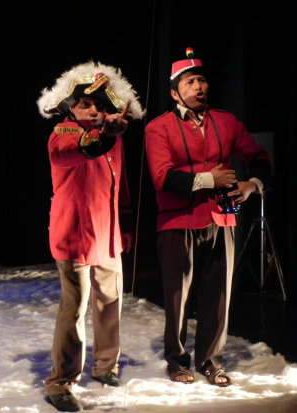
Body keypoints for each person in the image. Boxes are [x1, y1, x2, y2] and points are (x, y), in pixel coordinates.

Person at [144, 48, 272, 387]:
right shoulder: (159, 127)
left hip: (222, 219)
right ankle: (176, 361)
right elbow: (162, 177)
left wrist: (251, 185)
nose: (199, 86)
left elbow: (259, 157)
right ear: (175, 92)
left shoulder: (226, 121)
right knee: (177, 297)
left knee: (218, 297)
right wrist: (209, 180)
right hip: (178, 221)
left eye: (201, 80)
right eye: (190, 82)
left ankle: (211, 361)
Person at [37, 61, 144, 411]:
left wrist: (125, 227)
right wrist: (105, 134)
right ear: (70, 106)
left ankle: (106, 366)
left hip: (108, 235)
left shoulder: (112, 139)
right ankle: (60, 383)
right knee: (75, 308)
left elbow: (122, 189)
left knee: (110, 303)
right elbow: (82, 149)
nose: (93, 109)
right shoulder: (63, 135)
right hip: (74, 235)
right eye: (85, 103)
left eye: (99, 104)